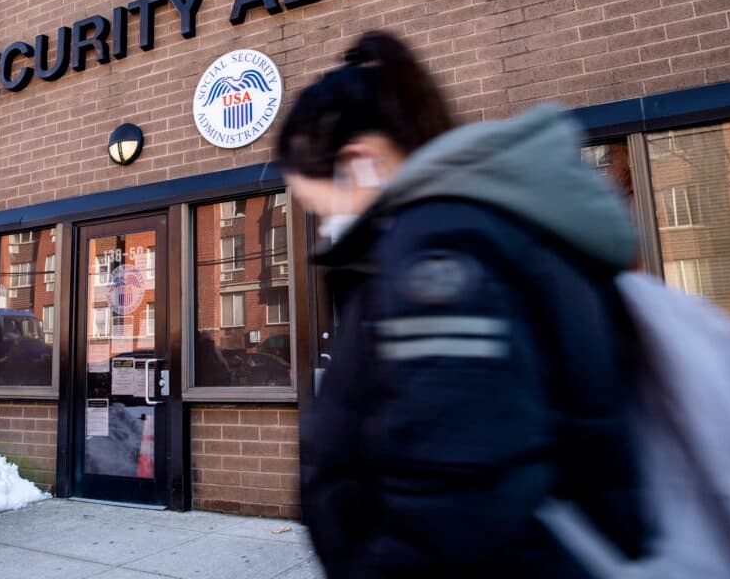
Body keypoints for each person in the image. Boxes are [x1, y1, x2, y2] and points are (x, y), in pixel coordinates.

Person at [277, 31, 652, 577]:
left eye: (318, 206)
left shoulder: (438, 252)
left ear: (358, 162)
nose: (327, 226)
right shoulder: (476, 232)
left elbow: (455, 504)